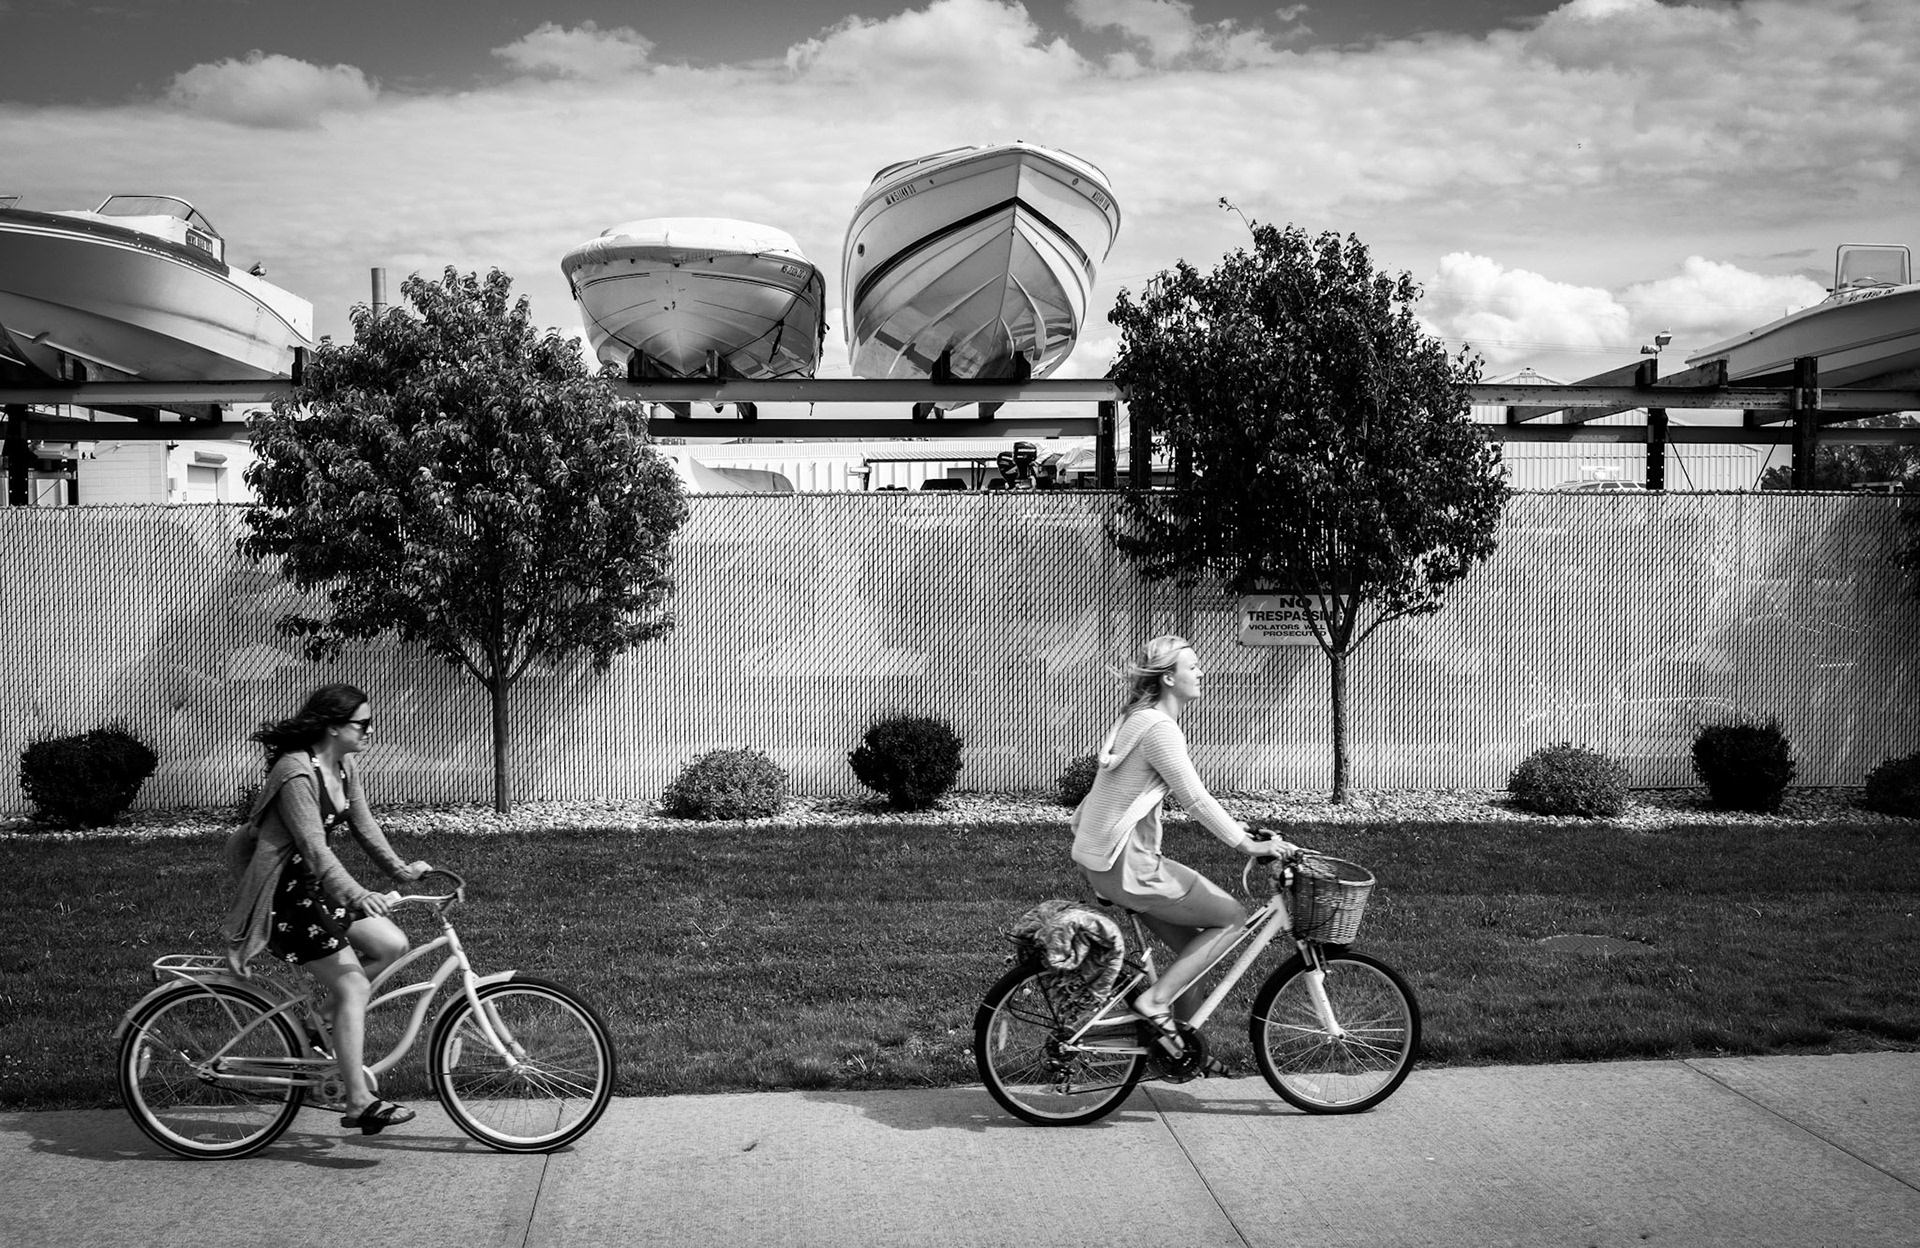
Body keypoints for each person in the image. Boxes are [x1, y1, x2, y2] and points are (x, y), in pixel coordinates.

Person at [1070, 635, 1296, 1056]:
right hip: (1129, 865)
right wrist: (1245, 845)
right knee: (1231, 918)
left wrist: (1241, 826)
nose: (1201, 672)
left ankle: (1182, 1051)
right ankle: (1155, 1003)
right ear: (1170, 678)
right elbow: (1195, 798)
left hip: (1102, 859)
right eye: (1193, 667)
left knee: (1193, 956)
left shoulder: (1136, 718)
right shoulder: (1159, 729)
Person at [222, 683, 432, 1134]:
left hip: (313, 892)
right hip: (283, 899)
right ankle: (359, 1102)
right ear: (334, 726)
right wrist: (358, 895)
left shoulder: (344, 763)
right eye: (363, 724)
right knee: (355, 987)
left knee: (392, 943)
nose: (370, 731)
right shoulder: (296, 773)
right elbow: (315, 850)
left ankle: (321, 1027)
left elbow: (362, 822)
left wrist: (399, 871)